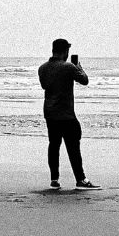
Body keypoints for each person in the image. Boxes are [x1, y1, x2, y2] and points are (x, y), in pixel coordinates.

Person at [37, 38, 94, 190]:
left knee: (54, 145)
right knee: (73, 146)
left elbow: (44, 85)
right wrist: (79, 68)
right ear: (65, 51)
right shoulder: (69, 67)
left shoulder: (42, 68)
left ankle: (54, 179)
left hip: (50, 112)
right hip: (66, 113)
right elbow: (84, 80)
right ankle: (80, 179)